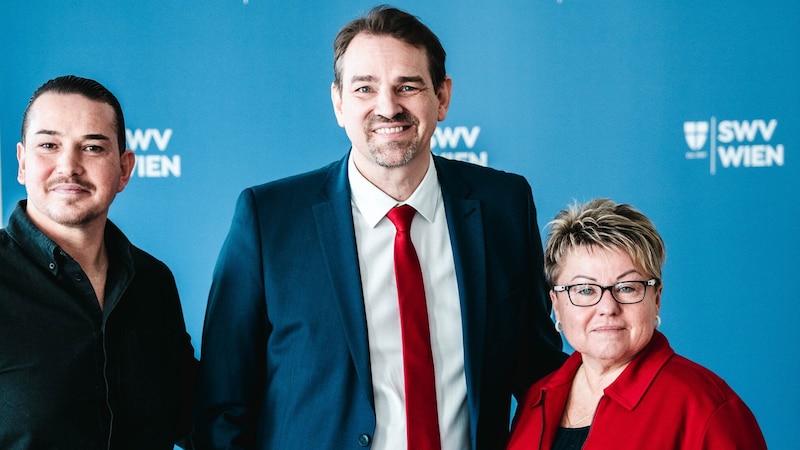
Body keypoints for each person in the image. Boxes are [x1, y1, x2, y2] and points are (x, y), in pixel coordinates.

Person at [193, 5, 565, 450]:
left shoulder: (502, 205)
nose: (388, 107)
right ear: (338, 103)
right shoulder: (268, 218)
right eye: (365, 88)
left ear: (442, 98)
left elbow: (540, 375)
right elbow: (222, 403)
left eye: (407, 86)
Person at [1, 75, 197, 449]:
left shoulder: (153, 282)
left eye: (92, 147)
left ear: (124, 168)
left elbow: (190, 416)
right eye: (48, 145)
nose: (68, 166)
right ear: (23, 163)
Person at [506, 198, 767, 449]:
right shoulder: (535, 399)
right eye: (585, 290)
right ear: (557, 304)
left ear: (656, 299)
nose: (607, 307)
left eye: (627, 287)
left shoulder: (706, 408)